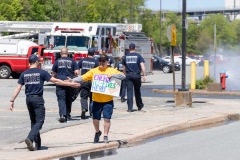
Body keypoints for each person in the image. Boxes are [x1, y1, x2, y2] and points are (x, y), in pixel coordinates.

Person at [9, 54, 80, 151]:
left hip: (28, 99)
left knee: (34, 121)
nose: (40, 62)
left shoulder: (24, 74)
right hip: (37, 99)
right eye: (38, 61)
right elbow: (56, 81)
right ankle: (30, 138)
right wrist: (71, 84)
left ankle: (37, 145)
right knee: (40, 120)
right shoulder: (41, 72)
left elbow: (18, 87)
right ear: (35, 62)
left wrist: (12, 100)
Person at [72, 54, 125, 143]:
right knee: (95, 119)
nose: (101, 62)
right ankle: (97, 132)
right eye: (100, 61)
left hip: (107, 101)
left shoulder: (112, 70)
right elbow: (82, 78)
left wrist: (112, 76)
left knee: (107, 119)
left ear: (107, 62)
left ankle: (105, 135)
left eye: (103, 61)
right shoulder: (94, 71)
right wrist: (72, 80)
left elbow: (123, 76)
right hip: (96, 100)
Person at [52, 47, 79, 122]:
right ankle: (68, 115)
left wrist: (54, 78)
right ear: (67, 53)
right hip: (69, 83)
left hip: (60, 83)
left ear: (60, 54)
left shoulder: (57, 61)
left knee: (61, 99)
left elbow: (54, 73)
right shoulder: (72, 61)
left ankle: (62, 115)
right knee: (68, 99)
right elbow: (77, 72)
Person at [122, 43, 146, 112]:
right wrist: (144, 75)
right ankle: (139, 105)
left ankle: (130, 108)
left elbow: (123, 67)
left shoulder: (125, 57)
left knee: (129, 91)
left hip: (128, 75)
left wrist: (125, 74)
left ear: (129, 48)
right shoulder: (138, 56)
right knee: (137, 91)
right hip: (136, 75)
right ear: (135, 48)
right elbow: (142, 66)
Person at [78, 48, 99, 119]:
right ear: (94, 54)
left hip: (84, 80)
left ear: (87, 53)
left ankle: (84, 108)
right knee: (92, 98)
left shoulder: (82, 60)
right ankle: (92, 113)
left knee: (84, 97)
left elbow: (77, 69)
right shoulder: (96, 62)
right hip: (93, 81)